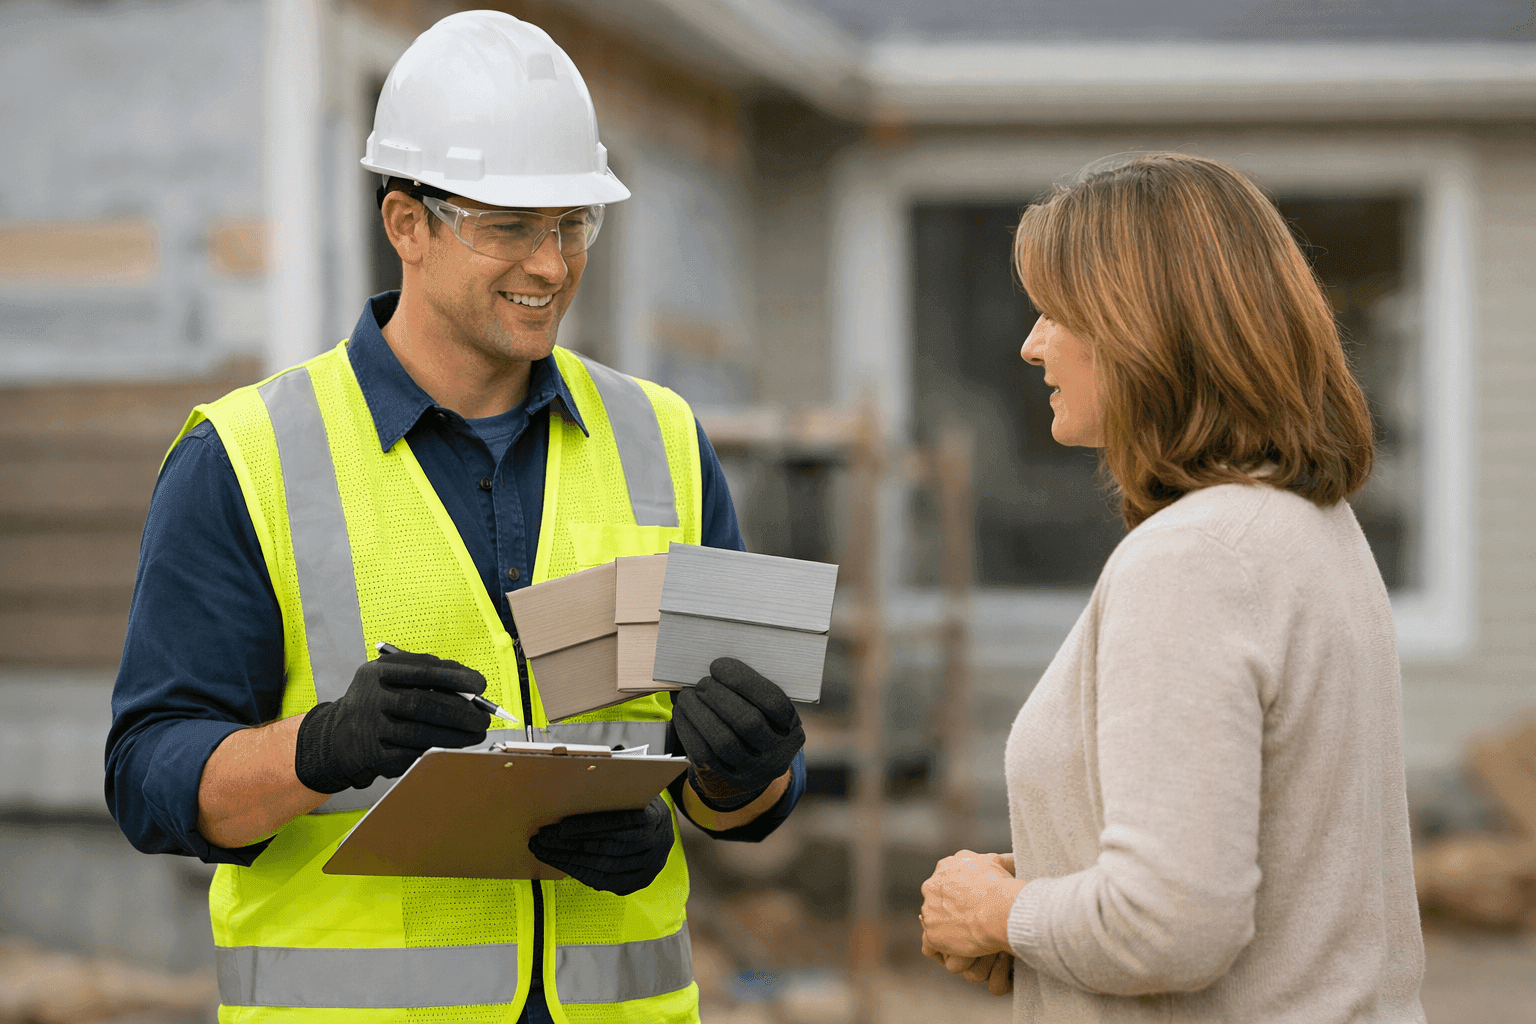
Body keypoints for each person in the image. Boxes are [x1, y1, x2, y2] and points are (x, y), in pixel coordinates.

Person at [104, 12, 806, 1022]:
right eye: (511, 227)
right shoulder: (245, 458)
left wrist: (739, 779)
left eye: (573, 225)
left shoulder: (663, 440)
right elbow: (148, 777)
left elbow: (741, 795)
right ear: (406, 224)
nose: (552, 265)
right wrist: (321, 747)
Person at [917, 152, 1426, 1022]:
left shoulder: (1194, 559)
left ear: (1139, 327)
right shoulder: (1306, 528)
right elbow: (1275, 862)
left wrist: (1000, 912)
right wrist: (1045, 907)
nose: (1032, 344)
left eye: (1055, 313)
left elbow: (1171, 924)